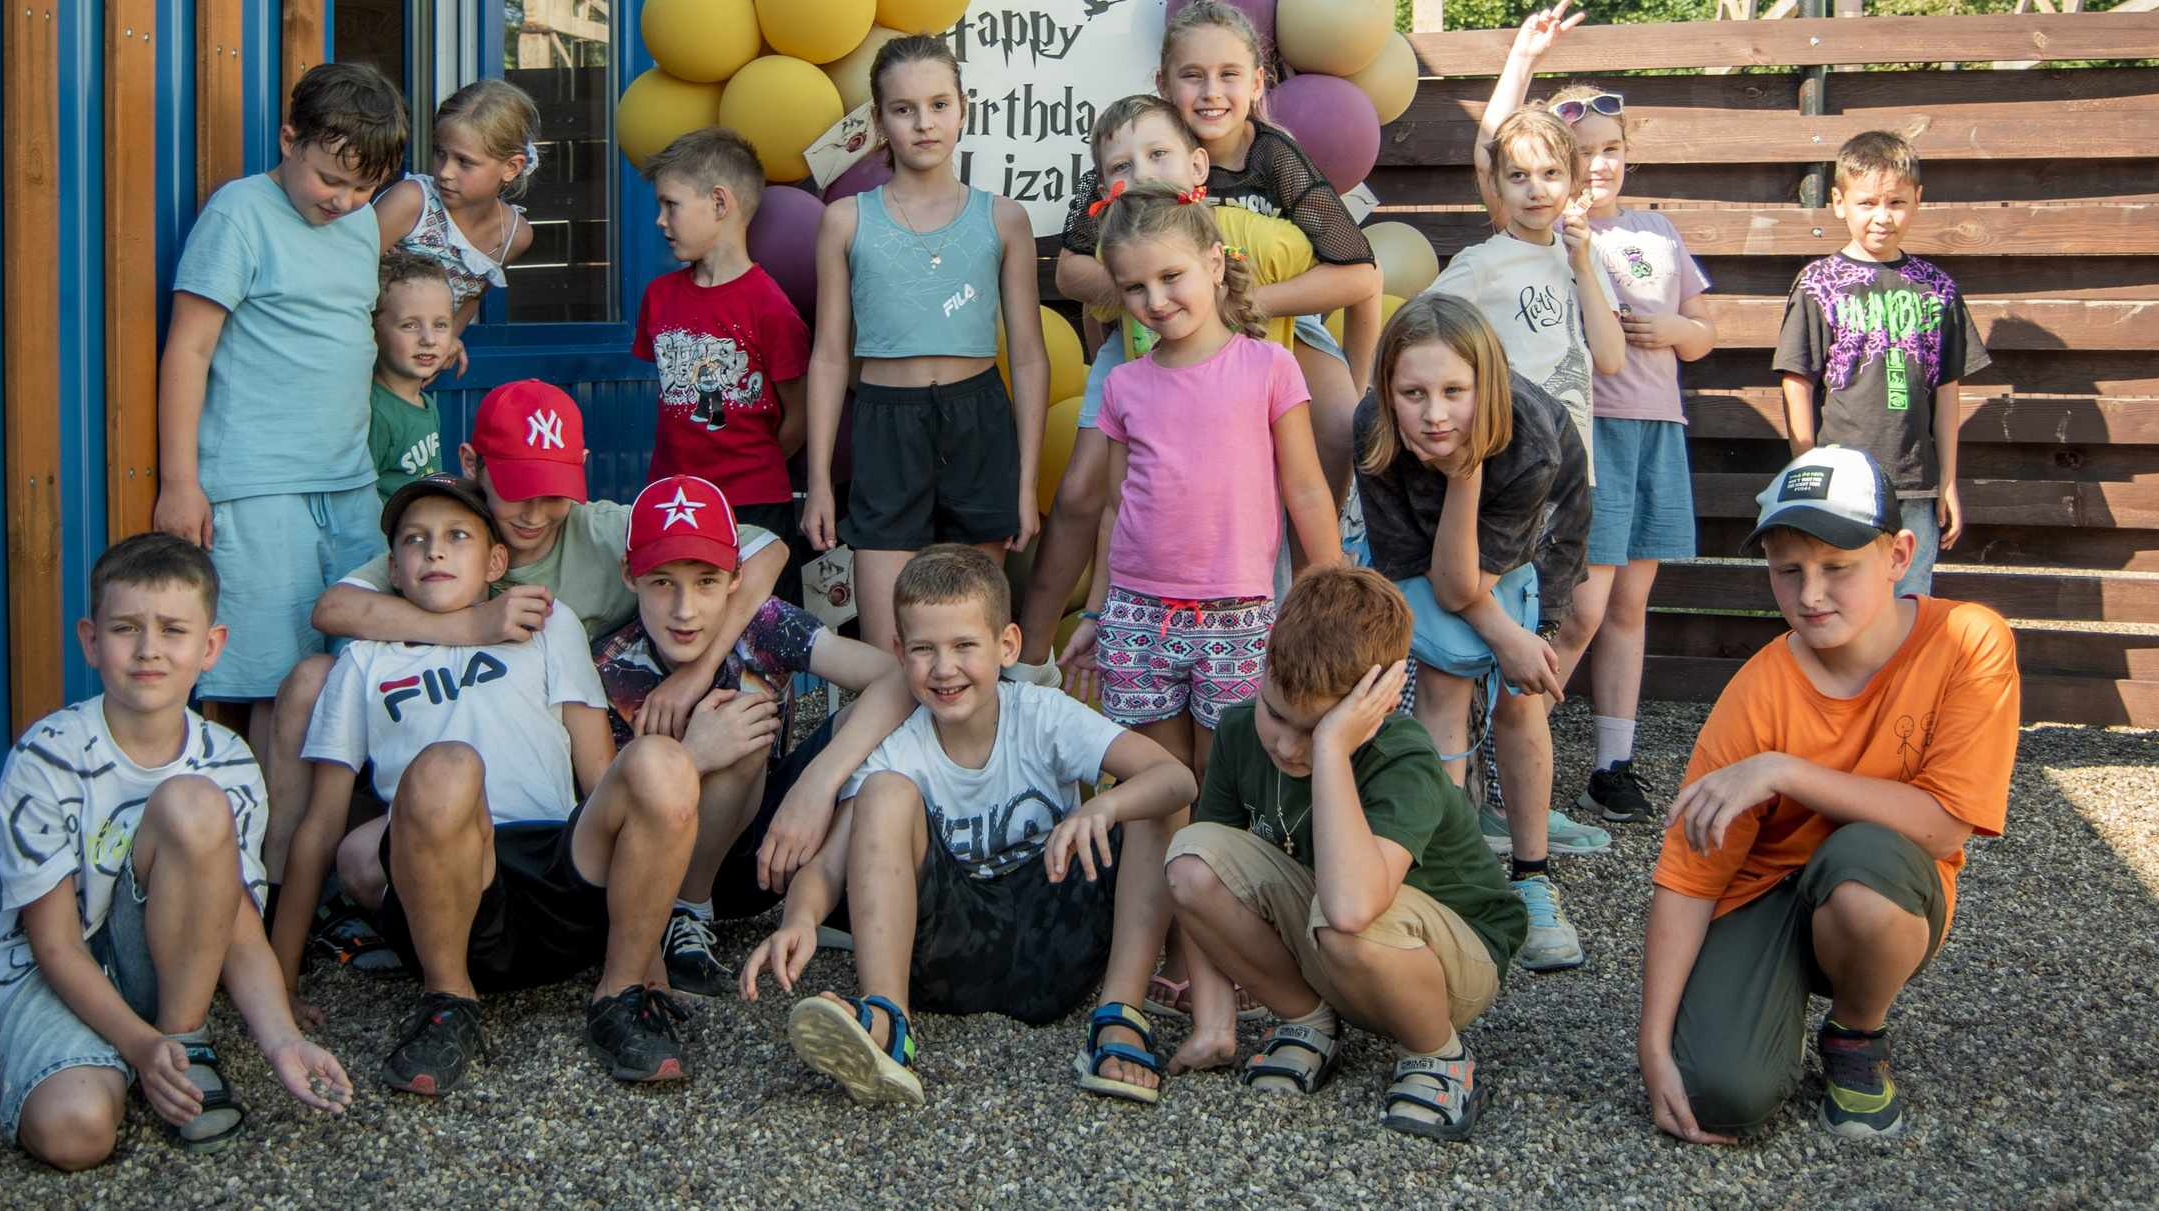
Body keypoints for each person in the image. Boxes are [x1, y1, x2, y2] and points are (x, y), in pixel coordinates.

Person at [270, 473, 713, 1095]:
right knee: (447, 763)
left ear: (495, 560)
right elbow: (319, 826)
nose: (435, 551)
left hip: (562, 874)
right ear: (392, 571)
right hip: (450, 890)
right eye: (414, 541)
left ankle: (623, 993)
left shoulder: (545, 626)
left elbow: (600, 777)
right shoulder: (365, 662)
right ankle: (447, 1000)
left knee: (661, 762)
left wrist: (651, 958)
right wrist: (281, 982)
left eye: (457, 536)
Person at [1640, 445, 2019, 1144]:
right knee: (1713, 1096)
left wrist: (1783, 770)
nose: (1810, 594)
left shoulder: (1969, 641)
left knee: (1864, 868)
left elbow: (1944, 828)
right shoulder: (1757, 688)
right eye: (1789, 570)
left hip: (1880, 888)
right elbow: (1689, 874)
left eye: (1837, 567)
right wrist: (1653, 1042)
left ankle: (1855, 1032)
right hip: (1768, 894)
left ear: (1899, 554)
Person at [267, 382, 787, 880]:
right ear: (473, 465)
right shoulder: (449, 532)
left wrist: (694, 674)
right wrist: (473, 624)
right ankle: (283, 884)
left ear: (580, 471)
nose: (535, 514)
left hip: (563, 746)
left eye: (553, 492)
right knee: (310, 681)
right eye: (517, 491)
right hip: (440, 730)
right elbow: (333, 608)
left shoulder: (602, 530)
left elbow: (766, 549)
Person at [739, 547, 1198, 1107]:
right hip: (948, 950)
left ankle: (1119, 1017)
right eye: (924, 650)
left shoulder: (1041, 712)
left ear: (1007, 645)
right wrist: (800, 920)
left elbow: (1178, 780)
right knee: (882, 794)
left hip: (1060, 931)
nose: (944, 668)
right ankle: (887, 1021)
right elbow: (830, 865)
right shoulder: (893, 744)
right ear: (898, 654)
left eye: (964, 646)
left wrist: (1103, 805)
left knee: (1154, 799)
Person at [0, 534, 350, 1168]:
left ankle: (185, 1044)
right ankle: (140, 1057)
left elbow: (235, 924)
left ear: (210, 648)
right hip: (55, 973)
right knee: (75, 1135)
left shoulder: (227, 762)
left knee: (192, 802)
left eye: (173, 629)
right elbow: (54, 945)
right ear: (91, 641)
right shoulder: (48, 757)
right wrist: (136, 1044)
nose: (149, 648)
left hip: (161, 974)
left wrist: (282, 1041)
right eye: (126, 628)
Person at [1164, 564, 1526, 1142]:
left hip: (1448, 960)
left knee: (1343, 920)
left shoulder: (1401, 755)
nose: (1286, 745)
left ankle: (1437, 1055)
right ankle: (1308, 1021)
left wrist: (1333, 750)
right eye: (1276, 714)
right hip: (1331, 938)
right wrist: (1215, 1022)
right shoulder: (1238, 733)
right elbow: (1207, 882)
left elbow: (1354, 906)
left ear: (1377, 704)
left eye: (1317, 728)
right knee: (1190, 862)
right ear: (1263, 668)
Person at [155, 61, 407, 766]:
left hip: (348, 483)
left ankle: (321, 854)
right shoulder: (239, 212)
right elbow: (189, 348)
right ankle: (262, 858)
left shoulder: (360, 227)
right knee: (269, 684)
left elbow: (345, 328)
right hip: (258, 488)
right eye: (332, 177)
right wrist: (182, 480)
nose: (346, 200)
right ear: (289, 139)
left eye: (365, 187)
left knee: (355, 672)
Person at [1017, 92, 1322, 667]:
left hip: (1222, 377)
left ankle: (1275, 621)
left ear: (1197, 167)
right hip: (1136, 372)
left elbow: (1348, 269)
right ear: (1104, 185)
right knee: (1088, 489)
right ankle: (1032, 659)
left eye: (1158, 155)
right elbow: (1080, 278)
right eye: (1121, 167)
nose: (1140, 175)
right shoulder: (1119, 249)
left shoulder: (1226, 233)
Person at [589, 474, 917, 995]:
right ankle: (684, 915)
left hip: (769, 855)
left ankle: (844, 888)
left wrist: (816, 785)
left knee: (857, 720)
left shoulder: (762, 625)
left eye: (706, 581)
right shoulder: (608, 668)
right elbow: (596, 821)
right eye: (662, 582)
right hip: (649, 874)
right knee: (741, 720)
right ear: (631, 576)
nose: (685, 609)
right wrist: (693, 757)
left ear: (736, 578)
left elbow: (900, 681)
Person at [1430, 0, 1625, 866]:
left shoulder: (1576, 254)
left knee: (1577, 613)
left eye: (1554, 174)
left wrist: (1584, 261)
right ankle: (1480, 802)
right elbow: (1430, 350)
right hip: (1508, 479)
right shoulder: (1481, 262)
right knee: (1488, 637)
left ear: (1574, 182)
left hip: (1574, 479)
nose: (1537, 188)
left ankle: (1522, 787)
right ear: (1497, 187)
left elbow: (1611, 358)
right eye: (1520, 176)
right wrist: (1522, 54)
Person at [1054, 0, 1382, 502]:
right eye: (1192, 76)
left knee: (1339, 430)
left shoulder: (1274, 156)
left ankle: (1313, 565)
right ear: (1164, 84)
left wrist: (1357, 387)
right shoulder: (1143, 148)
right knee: (1092, 483)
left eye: (1229, 74)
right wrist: (1140, 294)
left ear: (1255, 84)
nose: (1211, 93)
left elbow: (1362, 274)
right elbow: (1069, 271)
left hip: (1271, 312)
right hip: (1153, 310)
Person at [1353, 295, 1594, 972]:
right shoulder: (1374, 429)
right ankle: (1439, 868)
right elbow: (1431, 576)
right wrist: (1499, 635)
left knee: (1520, 696)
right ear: (1385, 390)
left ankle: (1532, 874)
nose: (1433, 414)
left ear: (1484, 387)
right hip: (1435, 551)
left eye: (1455, 391)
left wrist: (1517, 638)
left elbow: (1474, 581)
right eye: (1413, 392)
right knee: (1444, 678)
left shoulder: (1529, 441)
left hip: (1533, 543)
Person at [803, 34, 1049, 653]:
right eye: (903, 108)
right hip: (886, 428)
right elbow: (831, 356)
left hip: (979, 423)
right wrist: (821, 482)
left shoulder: (1003, 219)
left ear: (964, 110)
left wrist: (1025, 484)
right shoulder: (846, 220)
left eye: (939, 104)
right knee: (890, 648)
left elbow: (1027, 356)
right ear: (880, 121)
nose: (924, 123)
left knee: (971, 639)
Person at [1551, 84, 1716, 824]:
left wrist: (1677, 331)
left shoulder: (1658, 229)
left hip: (1660, 429)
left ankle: (1612, 766)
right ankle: (1500, 741)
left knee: (1629, 605)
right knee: (1583, 607)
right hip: (1597, 432)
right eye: (1584, 154)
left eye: (1612, 151)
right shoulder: (1556, 230)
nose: (1600, 166)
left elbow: (1705, 331)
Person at [1775, 130, 1989, 600]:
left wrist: (1948, 482)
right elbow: (1796, 382)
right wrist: (1808, 468)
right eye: (1868, 202)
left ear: (1917, 200)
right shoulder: (1819, 283)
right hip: (1843, 483)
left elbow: (1947, 390)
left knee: (1909, 601)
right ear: (1838, 201)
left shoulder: (1936, 287)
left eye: (1896, 202)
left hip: (1916, 482)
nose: (1882, 216)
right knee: (1843, 600)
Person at [634, 127, 811, 598]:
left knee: (764, 640)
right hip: (675, 504)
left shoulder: (770, 308)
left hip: (754, 505)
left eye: (670, 204)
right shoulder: (657, 298)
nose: (659, 220)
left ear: (719, 202)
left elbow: (802, 412)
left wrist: (749, 464)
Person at [374, 78, 540, 342]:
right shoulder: (412, 202)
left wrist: (449, 342)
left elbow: (472, 297)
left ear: (511, 167)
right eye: (440, 153)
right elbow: (347, 274)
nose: (445, 172)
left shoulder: (514, 236)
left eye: (464, 161)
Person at [367, 251, 454, 502]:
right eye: (409, 325)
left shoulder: (426, 404)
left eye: (440, 325)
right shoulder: (374, 414)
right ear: (374, 330)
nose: (428, 339)